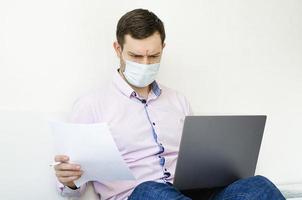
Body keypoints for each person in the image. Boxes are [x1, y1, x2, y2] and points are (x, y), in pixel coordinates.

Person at [53, 8, 285, 200]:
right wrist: (69, 180)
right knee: (151, 191)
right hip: (140, 195)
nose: (145, 63)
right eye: (135, 56)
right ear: (118, 49)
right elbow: (74, 188)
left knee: (258, 186)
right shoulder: (91, 105)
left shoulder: (178, 101)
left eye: (153, 56)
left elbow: (200, 161)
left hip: (194, 194)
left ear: (163, 48)